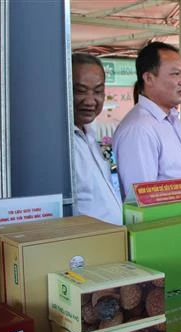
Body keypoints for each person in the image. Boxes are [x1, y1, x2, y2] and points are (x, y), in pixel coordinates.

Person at [112, 42, 181, 201]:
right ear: (149, 78)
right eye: (175, 74)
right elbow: (142, 201)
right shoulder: (139, 129)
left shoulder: (172, 122)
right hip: (169, 225)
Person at [71, 53, 123, 225]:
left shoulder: (90, 135)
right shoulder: (60, 143)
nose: (90, 100)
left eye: (98, 91)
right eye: (80, 91)